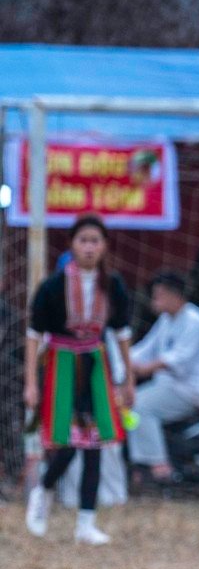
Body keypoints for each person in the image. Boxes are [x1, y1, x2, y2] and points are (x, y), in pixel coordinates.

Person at [24, 215, 132, 545]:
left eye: (95, 241)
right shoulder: (53, 287)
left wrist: (127, 378)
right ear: (72, 244)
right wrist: (31, 381)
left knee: (96, 445)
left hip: (96, 363)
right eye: (83, 240)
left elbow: (122, 333)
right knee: (69, 443)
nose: (89, 247)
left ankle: (86, 522)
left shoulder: (112, 285)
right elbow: (33, 334)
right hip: (61, 364)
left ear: (104, 246)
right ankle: (43, 491)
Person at [126, 271, 199, 481]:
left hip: (189, 390)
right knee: (128, 411)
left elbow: (178, 358)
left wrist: (148, 367)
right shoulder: (166, 321)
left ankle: (159, 464)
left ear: (173, 295)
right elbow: (145, 349)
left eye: (158, 295)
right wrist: (122, 358)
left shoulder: (194, 320)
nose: (154, 300)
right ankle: (139, 462)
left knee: (138, 406)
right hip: (168, 388)